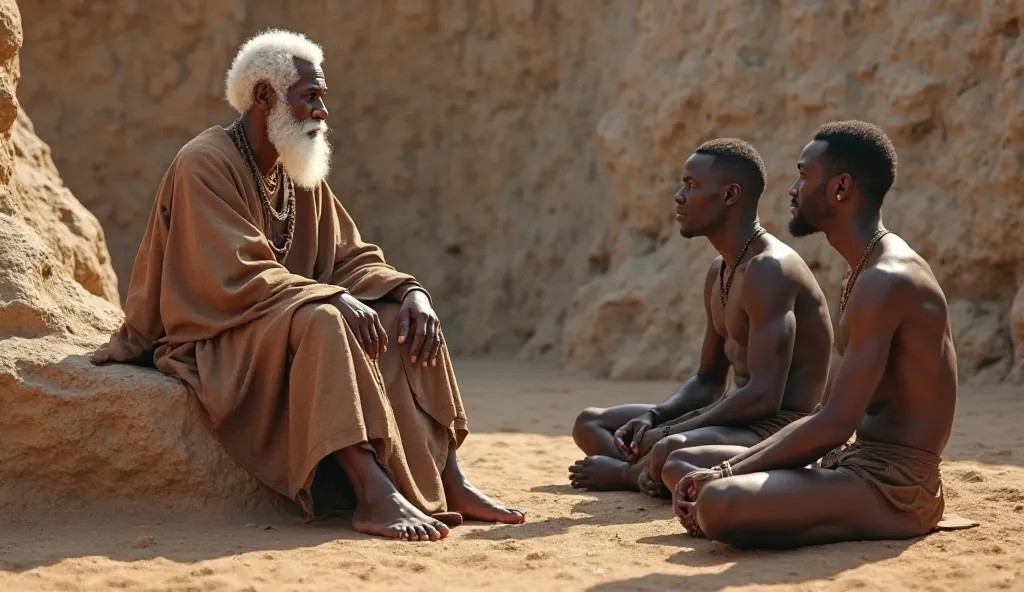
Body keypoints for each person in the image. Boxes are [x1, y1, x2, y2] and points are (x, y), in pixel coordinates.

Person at [90, 29, 524, 542]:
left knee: (397, 317)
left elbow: (350, 258)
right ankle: (371, 492)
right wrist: (330, 295)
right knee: (324, 318)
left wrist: (412, 294)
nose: (322, 112)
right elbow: (233, 274)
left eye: (322, 98)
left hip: (276, 319)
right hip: (218, 334)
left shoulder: (296, 172)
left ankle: (448, 477)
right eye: (310, 97)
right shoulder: (203, 162)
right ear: (265, 97)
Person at [672, 120, 958, 549]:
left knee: (719, 501)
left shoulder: (887, 278)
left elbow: (834, 424)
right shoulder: (863, 270)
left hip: (896, 485)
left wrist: (729, 473)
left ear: (840, 189)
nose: (792, 189)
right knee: (683, 464)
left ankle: (890, 518)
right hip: (852, 463)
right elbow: (827, 411)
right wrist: (726, 467)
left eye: (804, 175)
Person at [569, 139, 833, 494]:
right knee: (592, 424)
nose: (679, 196)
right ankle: (650, 471)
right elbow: (708, 381)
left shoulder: (769, 269)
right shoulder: (720, 270)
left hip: (778, 430)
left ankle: (628, 475)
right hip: (735, 418)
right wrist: (655, 416)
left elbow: (765, 396)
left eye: (692, 186)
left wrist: (671, 431)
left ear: (730, 195)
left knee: (668, 450)